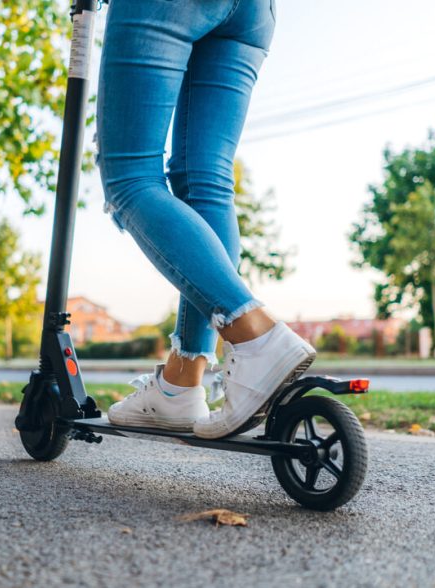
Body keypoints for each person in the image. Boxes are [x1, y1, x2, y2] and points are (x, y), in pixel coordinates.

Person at [96, 0, 316, 439]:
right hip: (254, 12)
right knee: (205, 182)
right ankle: (180, 384)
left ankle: (254, 334)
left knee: (130, 177)